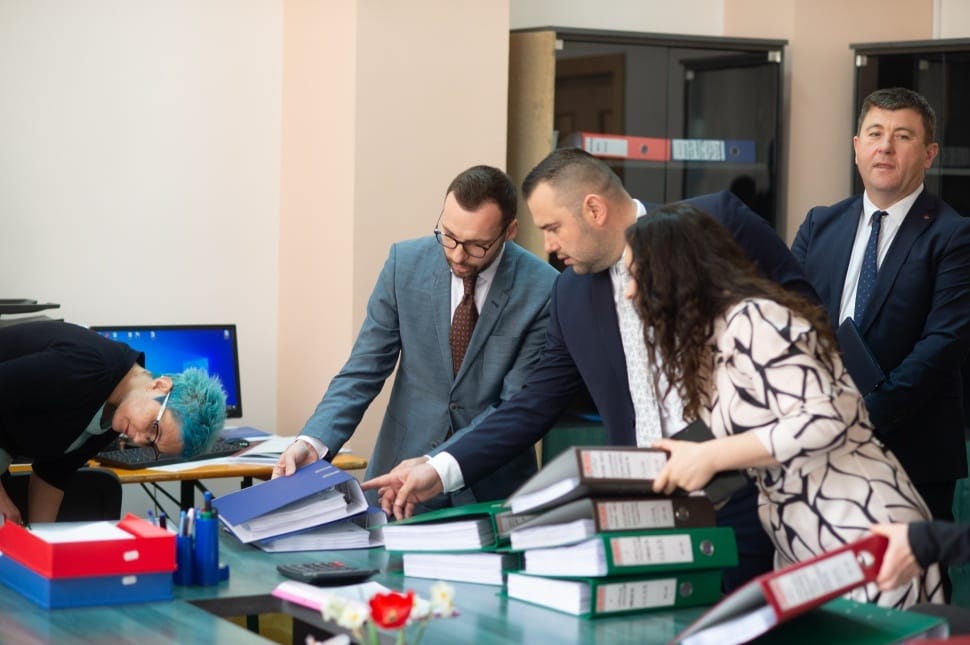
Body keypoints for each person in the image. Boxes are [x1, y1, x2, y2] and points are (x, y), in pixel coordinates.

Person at [365, 147, 817, 591]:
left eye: (553, 228)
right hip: (648, 515)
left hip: (757, 497)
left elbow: (809, 322)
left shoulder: (717, 221)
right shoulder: (570, 295)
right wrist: (440, 468)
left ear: (594, 209)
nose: (549, 246)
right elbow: (533, 403)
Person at [622, 203, 941, 608]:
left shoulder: (755, 319)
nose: (629, 291)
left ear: (674, 272)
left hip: (862, 532)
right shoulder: (708, 342)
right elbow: (741, 455)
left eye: (636, 275)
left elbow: (826, 418)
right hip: (803, 544)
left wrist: (709, 456)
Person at [272, 165, 559, 508]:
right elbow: (363, 370)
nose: (457, 255)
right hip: (397, 481)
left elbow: (515, 404)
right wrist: (313, 442)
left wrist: (438, 465)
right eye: (449, 236)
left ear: (509, 231)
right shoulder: (404, 265)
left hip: (492, 486)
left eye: (477, 246)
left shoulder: (544, 289)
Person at [792, 87, 970, 521]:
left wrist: (861, 416)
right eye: (875, 133)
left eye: (903, 136)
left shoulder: (954, 235)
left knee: (904, 566)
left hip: (910, 452)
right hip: (816, 440)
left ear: (929, 154)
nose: (885, 146)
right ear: (857, 147)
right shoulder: (820, 224)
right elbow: (787, 318)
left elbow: (943, 345)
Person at [0, 320, 227, 524]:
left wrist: (41, 540)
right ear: (160, 386)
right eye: (153, 428)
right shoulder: (88, 366)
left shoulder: (116, 412)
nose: (138, 438)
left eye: (150, 444)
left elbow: (53, 473)